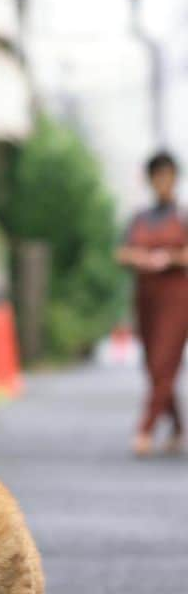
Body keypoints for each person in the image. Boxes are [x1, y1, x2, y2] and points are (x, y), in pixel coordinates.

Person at [117, 150, 188, 457]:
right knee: (154, 367)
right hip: (146, 299)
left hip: (178, 298)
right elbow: (122, 253)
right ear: (150, 180)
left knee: (165, 361)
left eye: (167, 176)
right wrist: (142, 259)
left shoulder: (183, 217)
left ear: (174, 179)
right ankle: (176, 426)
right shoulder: (139, 219)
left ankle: (145, 429)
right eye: (157, 176)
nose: (162, 182)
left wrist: (169, 258)